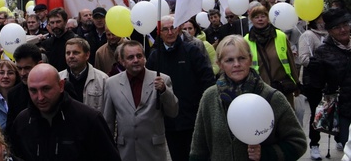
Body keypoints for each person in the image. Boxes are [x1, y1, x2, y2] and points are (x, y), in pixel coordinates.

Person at [189, 35, 307, 160]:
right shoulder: (210, 97)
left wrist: (266, 154)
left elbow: (298, 142)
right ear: (220, 64)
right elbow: (199, 148)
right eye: (229, 60)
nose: (236, 64)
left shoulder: (272, 97)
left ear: (250, 60)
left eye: (242, 58)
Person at [9, 63, 121, 161]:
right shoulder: (22, 122)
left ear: (61, 85)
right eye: (33, 90)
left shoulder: (89, 119)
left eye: (46, 89)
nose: (40, 97)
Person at [146, 15, 215, 161]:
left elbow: (207, 79)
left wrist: (203, 106)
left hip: (192, 117)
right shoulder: (154, 56)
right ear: (160, 32)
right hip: (167, 121)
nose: (170, 32)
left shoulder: (192, 51)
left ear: (178, 29)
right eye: (165, 29)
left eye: (173, 28)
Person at [104, 40, 178, 161]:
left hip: (154, 152)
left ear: (145, 58)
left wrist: (164, 91)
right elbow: (108, 121)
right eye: (130, 57)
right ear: (122, 61)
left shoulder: (161, 79)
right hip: (125, 151)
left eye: (139, 56)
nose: (136, 60)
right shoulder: (111, 83)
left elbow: (173, 111)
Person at [309, 8, 351, 151]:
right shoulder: (323, 51)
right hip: (344, 108)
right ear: (329, 31)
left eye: (345, 25)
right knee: (348, 147)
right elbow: (318, 84)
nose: (343, 29)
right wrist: (315, 70)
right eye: (337, 27)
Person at [244, 5, 299, 107]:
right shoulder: (246, 40)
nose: (260, 19)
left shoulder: (280, 36)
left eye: (263, 16)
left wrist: (296, 83)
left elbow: (291, 61)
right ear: (251, 20)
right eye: (256, 17)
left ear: (268, 18)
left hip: (282, 88)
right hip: (260, 90)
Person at [297, 13, 326, 160]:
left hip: (331, 80)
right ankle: (314, 145)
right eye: (321, 18)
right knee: (316, 114)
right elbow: (303, 58)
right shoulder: (308, 35)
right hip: (314, 82)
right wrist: (321, 64)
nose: (323, 21)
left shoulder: (330, 34)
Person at [59, 38, 108, 112]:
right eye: (68, 53)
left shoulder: (102, 79)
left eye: (75, 53)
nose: (71, 56)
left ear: (87, 55)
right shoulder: (58, 78)